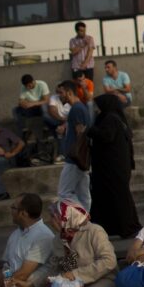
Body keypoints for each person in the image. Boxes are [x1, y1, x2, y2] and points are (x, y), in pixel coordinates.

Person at [89, 94, 142, 238]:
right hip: (114, 167)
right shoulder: (116, 118)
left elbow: (107, 136)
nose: (96, 109)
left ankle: (126, 227)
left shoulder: (110, 118)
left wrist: (88, 130)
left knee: (118, 197)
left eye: (98, 106)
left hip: (112, 168)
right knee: (113, 197)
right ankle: (114, 228)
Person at [56, 80, 92, 209]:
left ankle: (79, 218)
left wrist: (78, 156)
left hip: (75, 159)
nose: (59, 96)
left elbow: (80, 133)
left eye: (61, 92)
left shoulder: (77, 109)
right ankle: (86, 221)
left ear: (69, 93)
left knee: (64, 192)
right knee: (83, 195)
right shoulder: (79, 108)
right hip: (80, 159)